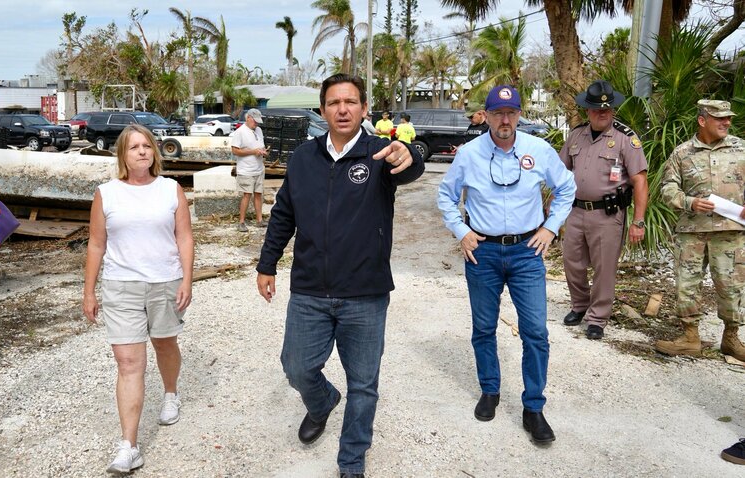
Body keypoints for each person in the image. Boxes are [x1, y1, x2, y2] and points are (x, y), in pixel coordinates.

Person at [256, 73, 424, 478]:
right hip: (311, 288)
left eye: (351, 102)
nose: (343, 109)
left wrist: (411, 154)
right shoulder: (303, 157)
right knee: (296, 366)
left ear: (365, 109)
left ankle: (351, 462)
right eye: (334, 103)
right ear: (322, 110)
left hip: (365, 293)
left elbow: (411, 164)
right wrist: (267, 263)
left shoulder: (380, 153)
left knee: (364, 384)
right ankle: (321, 402)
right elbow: (283, 214)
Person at [437, 85, 576, 444]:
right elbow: (446, 196)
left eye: (511, 113)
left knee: (535, 332)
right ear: (485, 115)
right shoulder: (468, 154)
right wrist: (461, 231)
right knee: (483, 328)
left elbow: (566, 187)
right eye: (497, 113)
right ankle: (490, 390)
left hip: (526, 252)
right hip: (482, 253)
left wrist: (550, 228)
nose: (505, 120)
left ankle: (533, 407)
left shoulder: (537, 149)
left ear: (519, 115)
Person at [83, 124, 194, 474]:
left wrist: (187, 280)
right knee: (129, 363)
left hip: (165, 281)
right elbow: (96, 244)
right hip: (121, 286)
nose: (142, 151)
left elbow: (185, 238)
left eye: (147, 146)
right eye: (134, 147)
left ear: (155, 152)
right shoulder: (107, 193)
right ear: (123, 155)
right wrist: (89, 290)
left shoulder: (170, 189)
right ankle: (129, 446)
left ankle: (171, 393)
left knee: (164, 344)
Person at [655, 99, 745, 361]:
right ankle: (689, 337)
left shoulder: (741, 149)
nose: (726, 122)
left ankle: (731, 339)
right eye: (719, 118)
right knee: (687, 284)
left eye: (728, 118)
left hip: (731, 231)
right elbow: (667, 188)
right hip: (691, 231)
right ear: (702, 120)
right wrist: (689, 202)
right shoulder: (683, 153)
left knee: (732, 286)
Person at [559, 80, 648, 340]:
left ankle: (597, 318)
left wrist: (638, 222)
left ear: (613, 110)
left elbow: (640, 181)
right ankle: (580, 305)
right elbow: (560, 171)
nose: (602, 113)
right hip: (576, 212)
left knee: (604, 267)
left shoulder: (625, 139)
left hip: (608, 215)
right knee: (572, 262)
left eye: (607, 110)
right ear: (588, 110)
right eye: (597, 109)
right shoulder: (576, 135)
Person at [231, 108, 268, 232]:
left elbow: (260, 146)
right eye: (255, 121)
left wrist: (263, 152)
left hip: (258, 169)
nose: (256, 123)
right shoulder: (240, 132)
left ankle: (259, 220)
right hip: (246, 170)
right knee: (246, 195)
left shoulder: (259, 130)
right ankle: (241, 222)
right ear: (248, 118)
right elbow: (235, 150)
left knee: (258, 194)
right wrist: (253, 152)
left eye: (258, 121)